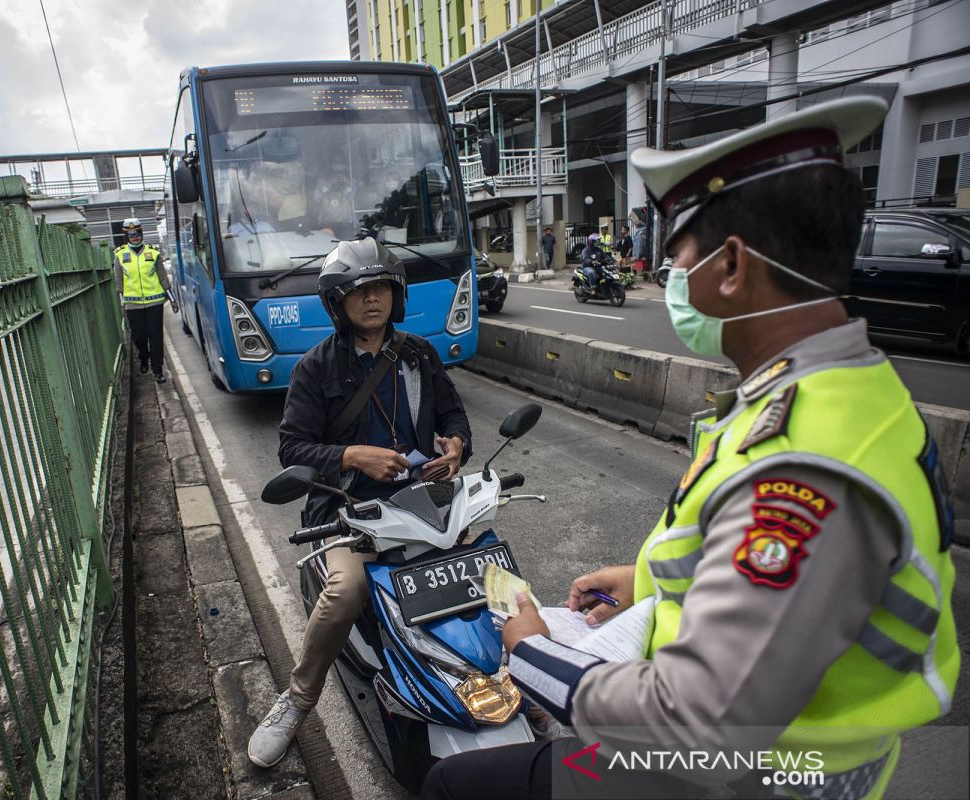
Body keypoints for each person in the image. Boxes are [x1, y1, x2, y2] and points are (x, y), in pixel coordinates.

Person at [421, 96, 959, 800]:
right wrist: (647, 579)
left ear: (732, 266)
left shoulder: (804, 463)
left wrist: (532, 653)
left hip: (750, 777)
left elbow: (695, 720)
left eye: (678, 254)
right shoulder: (836, 390)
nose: (669, 273)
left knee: (453, 788)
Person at [247, 237, 473, 768]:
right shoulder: (314, 368)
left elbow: (453, 416)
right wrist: (352, 456)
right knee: (346, 590)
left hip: (423, 501)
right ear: (337, 302)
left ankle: (505, 674)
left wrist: (457, 445)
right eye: (358, 290)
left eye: (381, 289)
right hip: (349, 512)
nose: (372, 299)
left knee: (478, 566)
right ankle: (299, 699)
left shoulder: (420, 354)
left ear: (395, 294)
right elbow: (292, 448)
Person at [114, 218, 176, 384]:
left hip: (154, 303)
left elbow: (163, 278)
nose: (135, 237)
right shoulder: (120, 255)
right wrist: (122, 305)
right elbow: (119, 283)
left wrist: (172, 299)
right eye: (131, 234)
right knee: (139, 337)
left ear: (141, 234)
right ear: (126, 236)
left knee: (156, 336)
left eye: (137, 234)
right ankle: (143, 356)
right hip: (133, 305)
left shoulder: (153, 253)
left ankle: (157, 370)